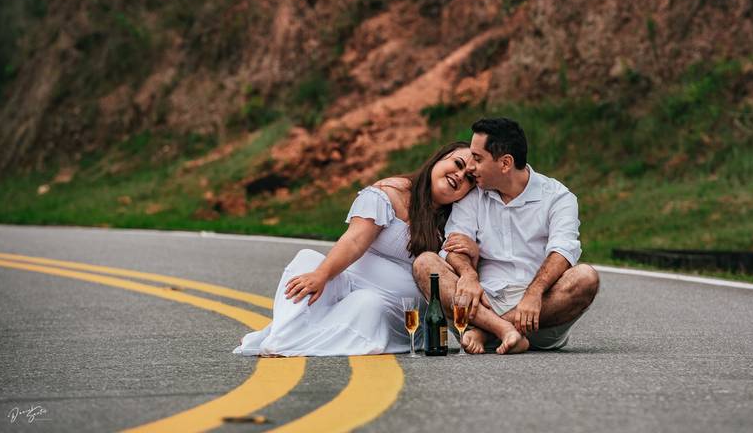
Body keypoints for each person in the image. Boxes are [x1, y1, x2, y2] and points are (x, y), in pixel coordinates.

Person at [233, 141, 477, 357]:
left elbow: (456, 272)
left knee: (366, 304)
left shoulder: (458, 220)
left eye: (469, 178)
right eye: (457, 163)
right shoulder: (390, 193)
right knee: (307, 260)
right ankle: (280, 336)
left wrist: (472, 252)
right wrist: (321, 275)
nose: (459, 175)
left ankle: (279, 341)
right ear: (437, 160)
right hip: (347, 284)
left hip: (392, 310)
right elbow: (354, 241)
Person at [413, 118, 600, 354]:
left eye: (477, 159)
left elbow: (562, 251)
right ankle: (503, 329)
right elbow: (453, 244)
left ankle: (488, 333)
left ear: (505, 163)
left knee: (586, 277)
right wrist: (468, 274)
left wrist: (534, 294)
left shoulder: (558, 197)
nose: (470, 168)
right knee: (425, 263)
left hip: (539, 313)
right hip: (479, 308)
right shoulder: (474, 195)